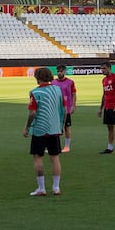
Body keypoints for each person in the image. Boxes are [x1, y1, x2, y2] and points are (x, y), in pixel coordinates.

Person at [25, 66, 66, 196]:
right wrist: (62, 125)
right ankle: (56, 187)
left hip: (39, 129)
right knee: (55, 158)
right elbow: (64, 110)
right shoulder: (58, 90)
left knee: (38, 157)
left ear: (37, 77)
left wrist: (27, 127)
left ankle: (41, 188)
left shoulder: (35, 92)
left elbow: (32, 113)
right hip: (54, 128)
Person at [53, 65, 77, 153]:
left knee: (66, 127)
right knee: (55, 127)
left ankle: (67, 146)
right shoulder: (53, 82)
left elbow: (74, 94)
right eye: (58, 71)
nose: (59, 73)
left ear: (64, 71)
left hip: (66, 108)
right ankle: (56, 146)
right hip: (56, 108)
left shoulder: (70, 82)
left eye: (61, 71)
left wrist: (73, 105)